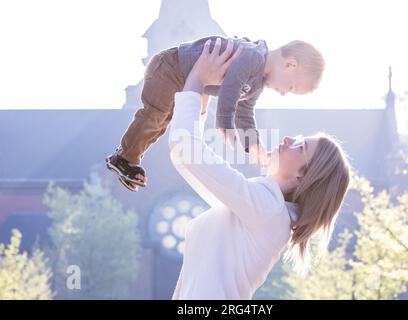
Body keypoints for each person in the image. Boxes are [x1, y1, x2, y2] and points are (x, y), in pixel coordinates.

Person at [169, 40, 350, 299]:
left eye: (300, 147)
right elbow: (187, 160)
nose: (288, 140)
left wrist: (197, 78)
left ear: (303, 177)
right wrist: (201, 101)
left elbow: (185, 152)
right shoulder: (262, 209)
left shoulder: (267, 208)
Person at [106, 35, 325, 191]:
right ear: (290, 64)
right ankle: (124, 157)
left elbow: (245, 113)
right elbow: (231, 85)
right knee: (155, 114)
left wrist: (255, 147)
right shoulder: (253, 56)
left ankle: (128, 157)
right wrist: (225, 123)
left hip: (181, 80)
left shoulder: (257, 84)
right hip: (170, 66)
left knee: (163, 120)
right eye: (291, 88)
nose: (284, 94)